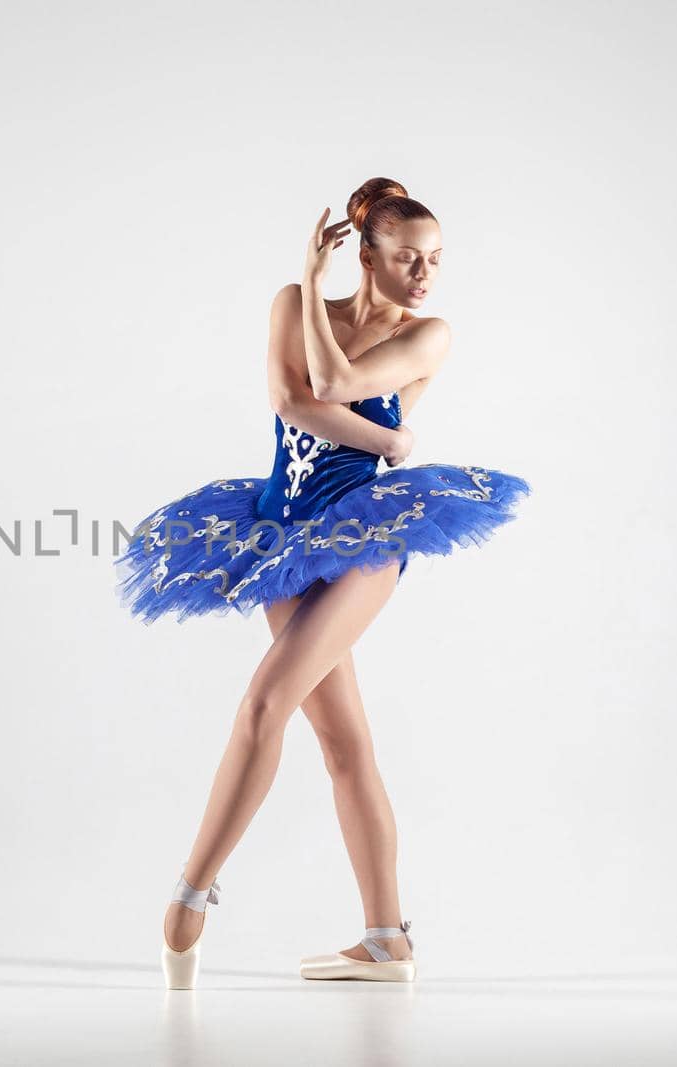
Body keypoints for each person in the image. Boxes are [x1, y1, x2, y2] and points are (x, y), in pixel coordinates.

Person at [113, 177, 531, 988]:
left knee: (264, 702)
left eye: (436, 258)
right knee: (345, 746)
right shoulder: (290, 302)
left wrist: (385, 440)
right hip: (279, 532)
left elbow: (331, 387)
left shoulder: (430, 335)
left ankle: (188, 898)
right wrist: (385, 426)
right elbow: (288, 400)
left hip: (365, 534)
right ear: (365, 255)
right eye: (408, 256)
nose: (425, 272)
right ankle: (386, 941)